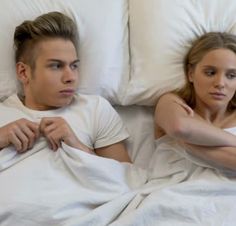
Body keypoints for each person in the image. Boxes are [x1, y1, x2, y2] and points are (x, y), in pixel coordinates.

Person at [0, 11, 131, 163]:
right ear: (23, 72)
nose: (71, 77)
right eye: (56, 66)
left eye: (74, 66)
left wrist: (76, 145)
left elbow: (126, 178)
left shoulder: (95, 110)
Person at [154, 31, 236, 171]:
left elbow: (185, 134)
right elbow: (179, 127)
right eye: (210, 73)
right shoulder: (171, 102)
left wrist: (189, 142)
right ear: (190, 73)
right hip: (173, 191)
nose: (220, 83)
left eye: (231, 75)